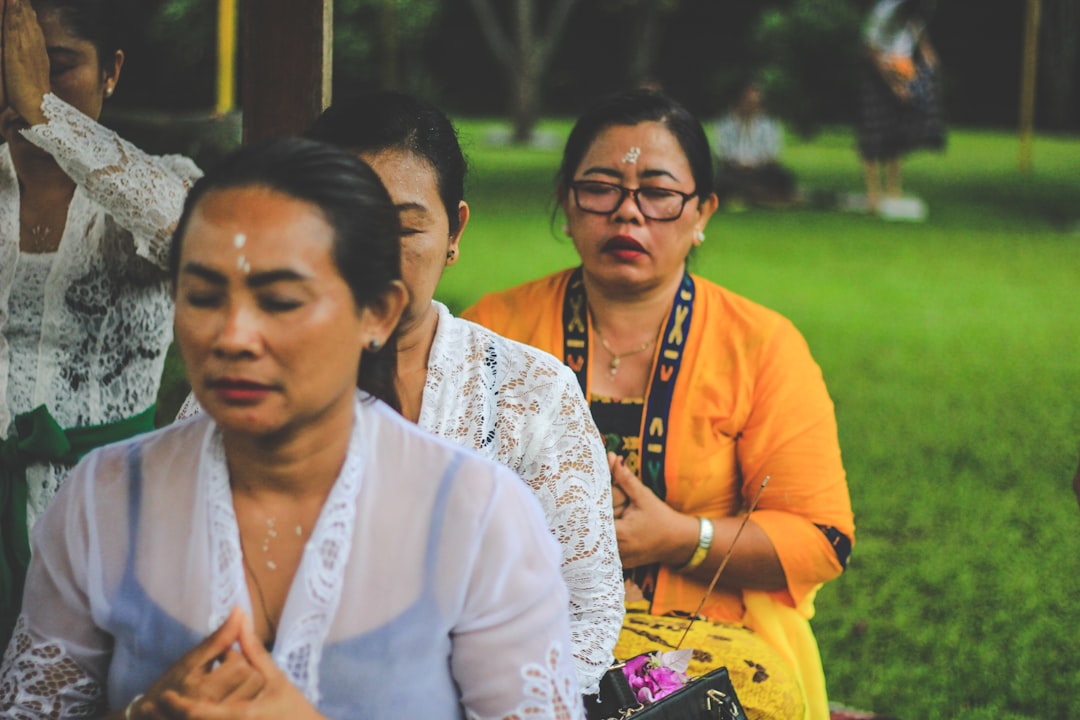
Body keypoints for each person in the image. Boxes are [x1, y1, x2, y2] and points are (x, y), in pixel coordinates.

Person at [0, 136, 585, 719]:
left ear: (375, 313)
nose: (232, 336)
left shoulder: (476, 517)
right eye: (202, 296)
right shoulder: (104, 499)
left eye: (279, 301)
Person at [176, 90, 624, 695]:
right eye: (344, 223)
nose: (374, 255)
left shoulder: (533, 393)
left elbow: (585, 613)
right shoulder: (241, 387)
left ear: (453, 230)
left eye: (405, 227)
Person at [463, 88, 855, 720]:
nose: (627, 214)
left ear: (703, 212)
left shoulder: (760, 345)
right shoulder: (493, 330)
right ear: (567, 203)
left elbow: (822, 537)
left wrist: (679, 538)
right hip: (521, 626)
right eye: (600, 188)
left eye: (658, 191)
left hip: (705, 639)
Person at [0, 0, 201, 646]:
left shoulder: (161, 185)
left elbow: (194, 235)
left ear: (111, 71)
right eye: (10, 66)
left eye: (56, 66)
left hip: (111, 518)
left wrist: (45, 114)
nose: (22, 83)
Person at [857, 0, 944, 217]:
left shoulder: (921, 7)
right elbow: (871, 49)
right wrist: (893, 84)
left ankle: (893, 191)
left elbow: (919, 26)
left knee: (898, 132)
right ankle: (873, 195)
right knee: (874, 133)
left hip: (902, 64)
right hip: (875, 67)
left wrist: (927, 52)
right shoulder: (885, 12)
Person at [711, 80, 798, 208]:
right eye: (747, 102)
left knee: (782, 177)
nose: (750, 107)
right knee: (723, 180)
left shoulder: (769, 126)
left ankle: (749, 194)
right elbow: (722, 154)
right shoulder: (725, 125)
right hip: (735, 171)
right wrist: (739, 165)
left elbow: (773, 155)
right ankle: (759, 195)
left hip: (760, 170)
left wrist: (755, 165)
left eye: (754, 103)